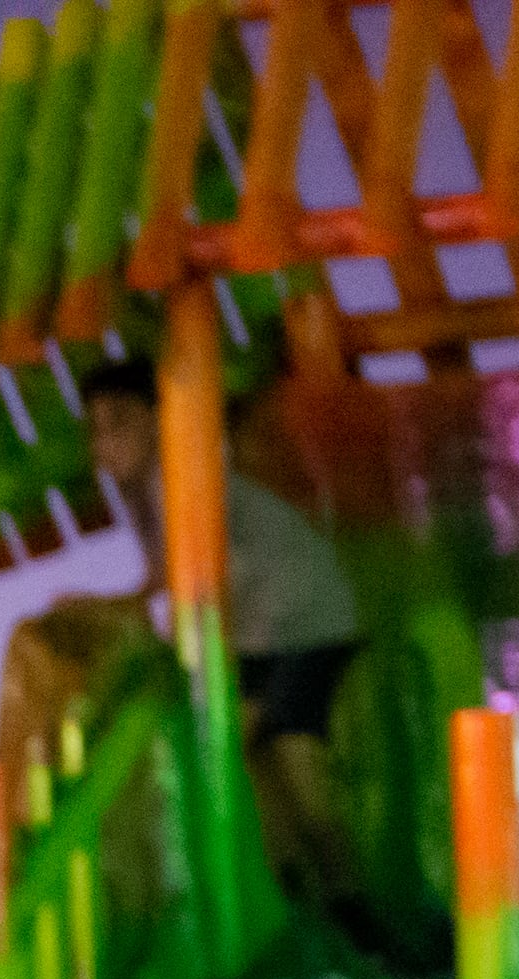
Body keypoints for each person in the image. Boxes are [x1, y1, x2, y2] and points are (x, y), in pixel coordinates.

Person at [82, 351, 369, 926]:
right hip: (264, 635)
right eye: (94, 429)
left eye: (119, 421)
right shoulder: (147, 495)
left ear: (157, 417)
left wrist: (113, 607)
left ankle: (343, 903)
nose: (103, 443)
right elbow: (167, 583)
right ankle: (317, 902)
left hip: (300, 624)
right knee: (255, 758)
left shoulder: (180, 475)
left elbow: (179, 576)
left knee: (274, 754)